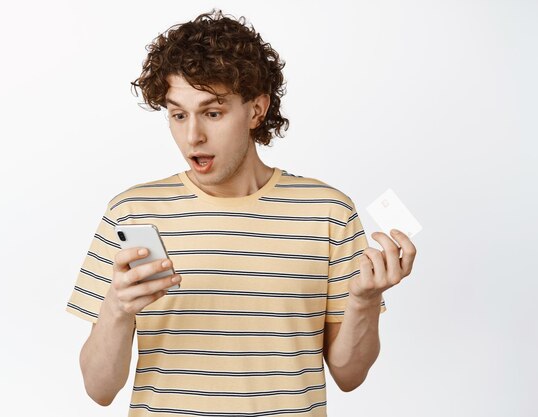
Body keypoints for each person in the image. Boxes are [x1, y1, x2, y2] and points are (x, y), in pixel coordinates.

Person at [65, 8, 417, 416]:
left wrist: (364, 300)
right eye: (178, 114)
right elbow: (99, 388)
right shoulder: (132, 213)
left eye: (212, 113)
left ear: (256, 110)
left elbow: (349, 375)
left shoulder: (327, 211)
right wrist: (117, 309)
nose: (192, 135)